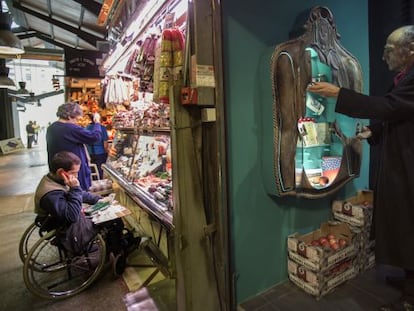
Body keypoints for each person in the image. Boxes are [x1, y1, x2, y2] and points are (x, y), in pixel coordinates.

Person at [307, 25, 414, 310]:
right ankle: (408, 279)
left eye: (389, 50)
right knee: (404, 220)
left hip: (408, 164)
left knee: (408, 220)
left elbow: (391, 106)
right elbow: (400, 114)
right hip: (401, 161)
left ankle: (411, 296)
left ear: (410, 50)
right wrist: (374, 132)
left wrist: (338, 94)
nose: (383, 57)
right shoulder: (404, 77)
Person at [34, 151, 101, 253]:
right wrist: (75, 188)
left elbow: (79, 194)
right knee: (104, 222)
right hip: (61, 225)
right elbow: (72, 216)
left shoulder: (55, 179)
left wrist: (99, 200)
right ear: (61, 172)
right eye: (74, 173)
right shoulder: (51, 194)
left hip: (63, 216)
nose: (77, 176)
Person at [46, 102, 102, 191]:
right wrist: (97, 123)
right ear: (69, 116)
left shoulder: (52, 128)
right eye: (76, 119)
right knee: (78, 196)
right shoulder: (69, 128)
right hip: (72, 173)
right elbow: (95, 137)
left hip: (61, 172)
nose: (76, 122)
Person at [86, 114, 109, 179]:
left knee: (93, 170)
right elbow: (105, 145)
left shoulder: (87, 128)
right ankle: (100, 181)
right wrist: (108, 152)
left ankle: (94, 181)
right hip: (100, 154)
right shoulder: (102, 128)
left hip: (90, 153)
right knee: (100, 171)